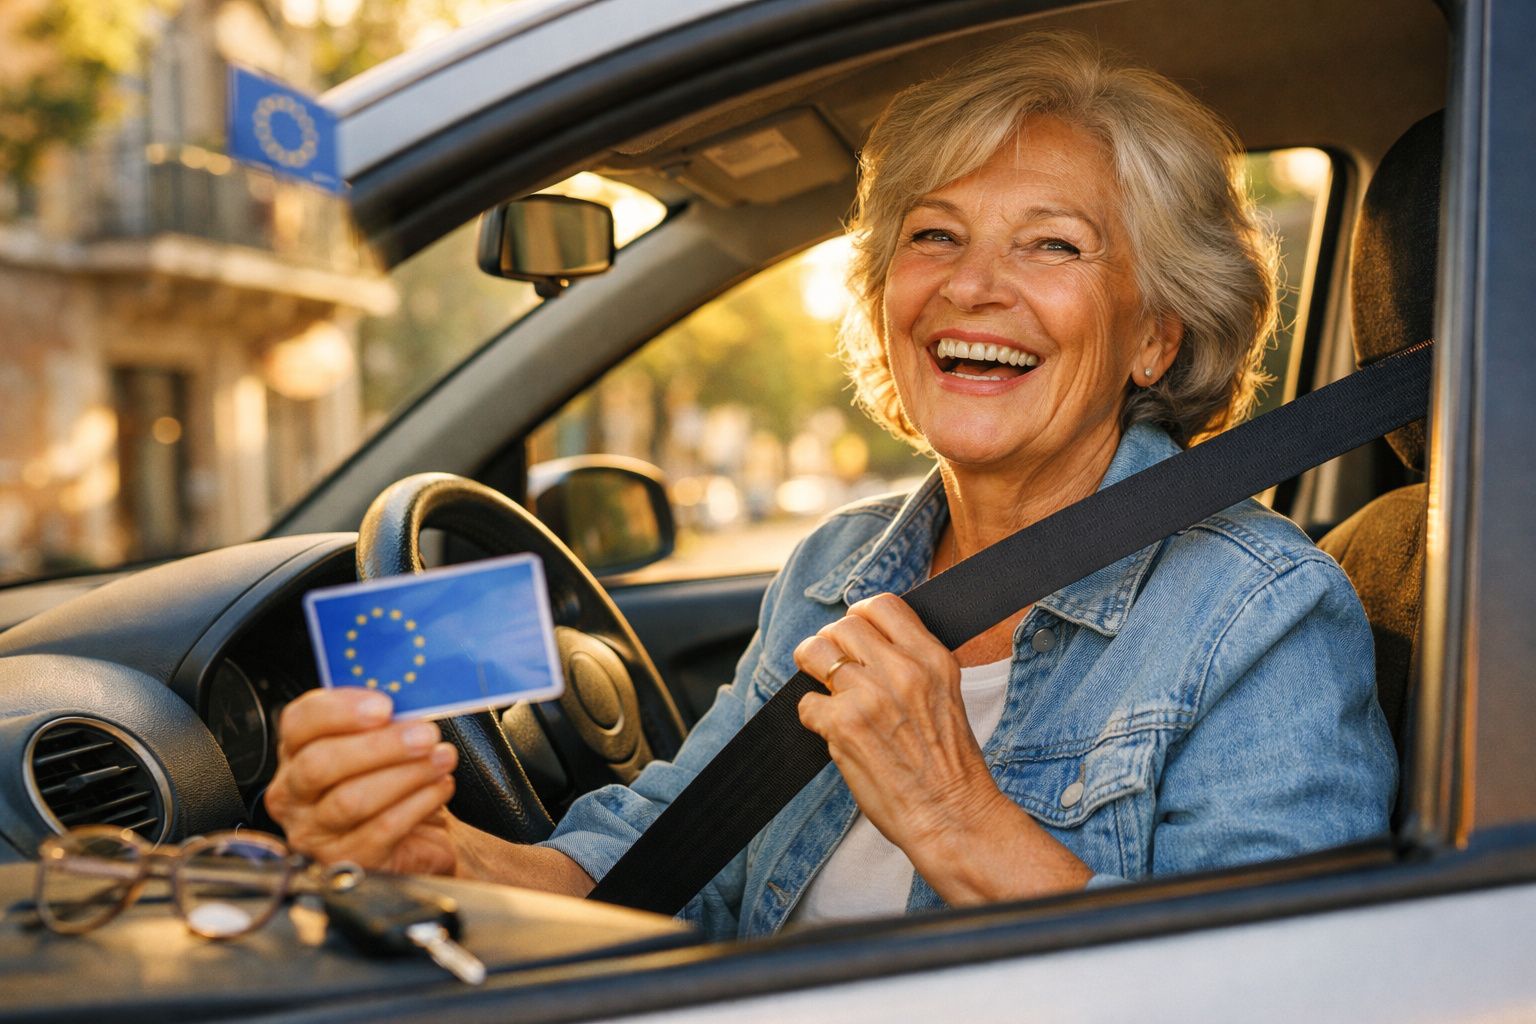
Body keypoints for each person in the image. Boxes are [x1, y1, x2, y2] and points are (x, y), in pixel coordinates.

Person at [264, 32, 1396, 940]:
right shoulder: (837, 568)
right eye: (934, 235)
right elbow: (668, 862)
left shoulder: (1266, 614)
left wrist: (953, 812)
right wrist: (432, 856)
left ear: (1156, 333)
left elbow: (1274, 988)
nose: (973, 286)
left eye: (1053, 246)